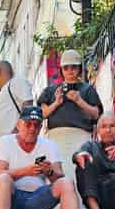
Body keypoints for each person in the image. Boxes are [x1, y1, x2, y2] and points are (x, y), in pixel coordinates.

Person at [0, 106, 88, 209]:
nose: (32, 129)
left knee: (66, 182)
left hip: (37, 199)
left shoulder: (49, 145)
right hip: (11, 199)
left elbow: (58, 177)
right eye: (28, 124)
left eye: (36, 125)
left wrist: (49, 172)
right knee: (3, 179)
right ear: (18, 125)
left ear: (41, 127)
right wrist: (26, 171)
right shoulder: (5, 142)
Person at [37, 49, 103, 186]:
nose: (70, 71)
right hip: (56, 139)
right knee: (58, 173)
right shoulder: (51, 91)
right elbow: (42, 114)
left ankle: (81, 206)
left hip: (81, 137)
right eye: (66, 68)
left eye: (74, 67)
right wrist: (56, 103)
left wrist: (80, 101)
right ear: (61, 70)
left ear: (79, 69)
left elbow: (97, 114)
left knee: (80, 174)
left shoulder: (87, 89)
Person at [0, 60, 35, 184]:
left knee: (6, 188)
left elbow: (28, 106)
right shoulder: (3, 91)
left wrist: (17, 132)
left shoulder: (16, 82)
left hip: (8, 146)